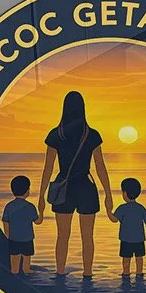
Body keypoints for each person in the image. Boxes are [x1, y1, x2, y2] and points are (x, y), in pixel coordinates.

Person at [36, 89, 112, 279]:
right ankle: (87, 274)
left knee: (63, 236)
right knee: (87, 237)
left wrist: (41, 197)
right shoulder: (92, 135)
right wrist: (108, 195)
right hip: (86, 187)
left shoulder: (56, 135)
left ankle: (60, 273)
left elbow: (48, 168)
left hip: (63, 188)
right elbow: (100, 167)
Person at [2, 174, 41, 275]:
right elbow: (37, 221)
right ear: (27, 191)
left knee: (14, 262)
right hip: (27, 239)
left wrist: (8, 236)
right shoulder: (30, 207)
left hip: (14, 239)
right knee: (27, 259)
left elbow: (6, 222)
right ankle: (26, 269)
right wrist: (41, 211)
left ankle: (14, 272)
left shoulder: (9, 206)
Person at [112, 177, 146, 279]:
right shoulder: (141, 207)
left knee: (126, 258)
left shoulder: (122, 208)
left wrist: (108, 211)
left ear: (124, 193)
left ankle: (126, 273)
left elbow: (114, 219)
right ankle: (139, 273)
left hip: (126, 239)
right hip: (139, 239)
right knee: (139, 258)